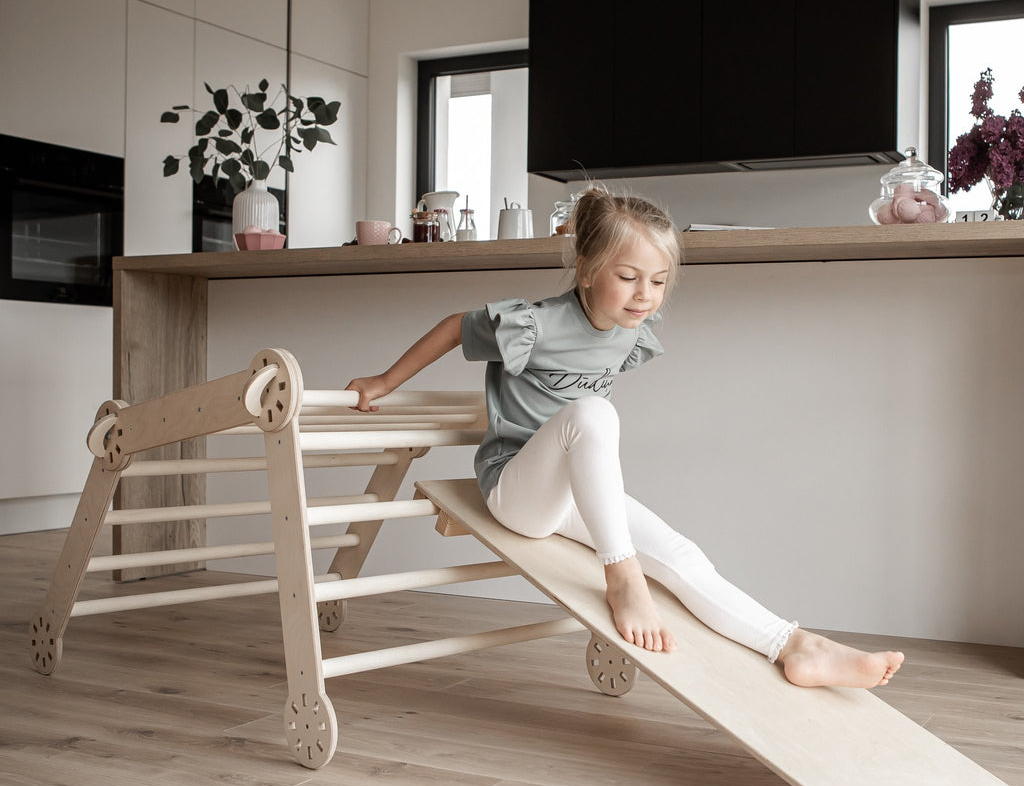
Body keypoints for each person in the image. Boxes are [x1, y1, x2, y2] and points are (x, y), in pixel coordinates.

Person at [346, 186, 904, 689]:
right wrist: (384, 381)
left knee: (683, 556)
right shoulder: (535, 324)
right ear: (587, 271)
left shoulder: (625, 328)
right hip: (515, 490)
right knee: (595, 413)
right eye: (629, 277)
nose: (645, 296)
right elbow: (453, 326)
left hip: (570, 492)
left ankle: (795, 646)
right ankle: (623, 577)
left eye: (658, 281)